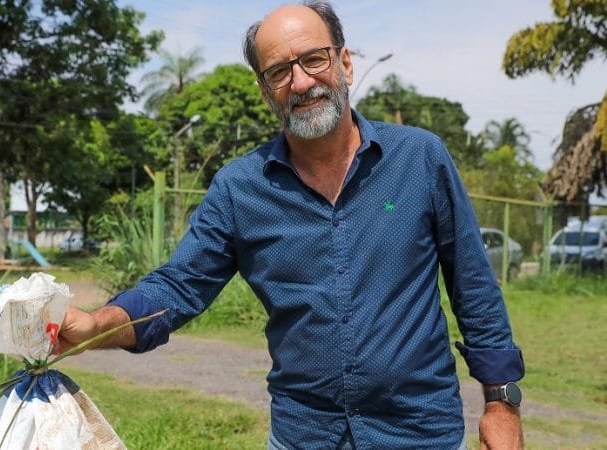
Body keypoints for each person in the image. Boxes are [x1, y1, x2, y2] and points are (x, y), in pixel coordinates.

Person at [59, 1, 525, 448]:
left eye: (314, 59)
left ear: (344, 63)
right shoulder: (240, 188)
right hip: (303, 436)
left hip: (419, 433)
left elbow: (472, 285)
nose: (300, 82)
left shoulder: (418, 158)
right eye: (279, 72)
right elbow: (177, 288)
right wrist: (95, 325)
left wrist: (501, 404)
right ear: (265, 91)